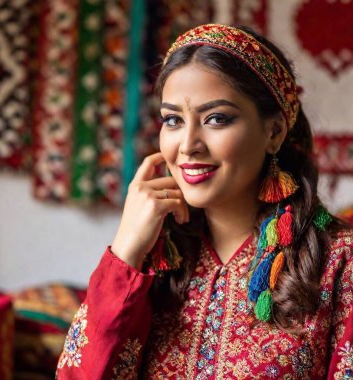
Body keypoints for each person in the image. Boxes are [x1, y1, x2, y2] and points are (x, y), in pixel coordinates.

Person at [56, 24, 353, 379]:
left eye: (216, 118)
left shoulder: (339, 264)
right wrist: (125, 255)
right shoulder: (153, 261)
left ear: (273, 133)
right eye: (173, 120)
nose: (188, 145)